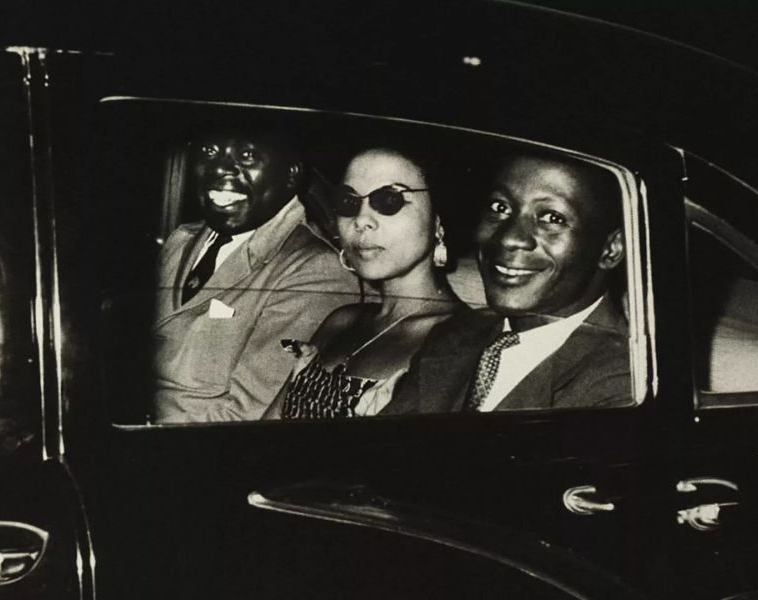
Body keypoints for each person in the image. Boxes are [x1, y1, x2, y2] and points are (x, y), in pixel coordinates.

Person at [383, 152, 630, 414]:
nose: (509, 239)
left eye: (551, 218)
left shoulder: (626, 381)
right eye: (500, 208)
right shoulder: (456, 333)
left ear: (610, 250)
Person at [152, 130, 360, 422]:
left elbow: (246, 418)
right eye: (210, 152)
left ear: (291, 175)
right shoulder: (181, 240)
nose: (220, 168)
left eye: (246, 155)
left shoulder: (315, 269)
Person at [263, 148, 462, 419]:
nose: (361, 220)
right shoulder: (341, 321)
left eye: (389, 200)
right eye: (349, 202)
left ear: (438, 223)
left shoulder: (460, 341)